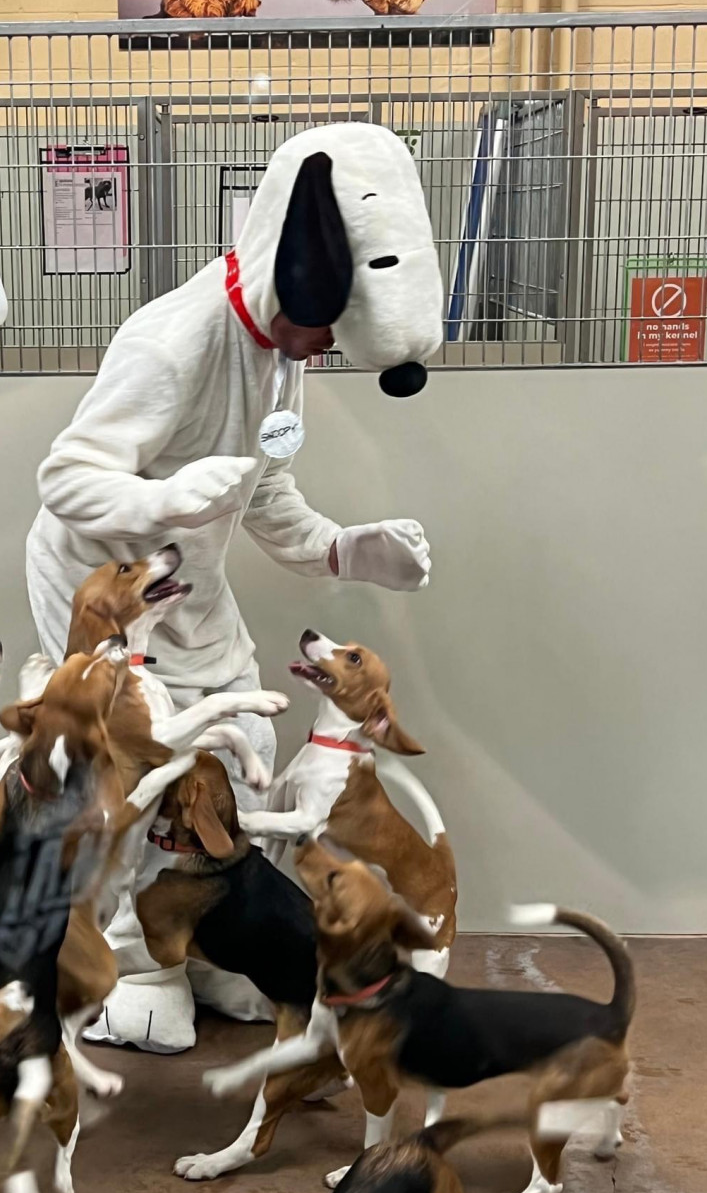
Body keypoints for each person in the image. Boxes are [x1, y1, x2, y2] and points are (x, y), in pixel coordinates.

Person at [25, 122, 444, 1049]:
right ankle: (138, 965)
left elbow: (267, 491)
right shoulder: (170, 345)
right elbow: (64, 478)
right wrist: (166, 493)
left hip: (193, 586)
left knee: (244, 741)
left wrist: (346, 549)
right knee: (145, 773)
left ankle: (211, 944)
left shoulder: (283, 362)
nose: (327, 348)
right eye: (327, 328)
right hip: (106, 588)